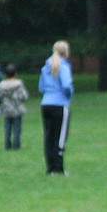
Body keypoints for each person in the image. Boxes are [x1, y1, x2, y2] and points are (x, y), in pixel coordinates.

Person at [39, 40, 73, 176]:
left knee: (49, 136)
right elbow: (66, 86)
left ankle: (50, 167)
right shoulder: (63, 67)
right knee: (60, 137)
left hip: (45, 104)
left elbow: (41, 88)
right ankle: (59, 169)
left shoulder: (45, 67)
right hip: (60, 104)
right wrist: (68, 96)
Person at [0, 64, 28, 150]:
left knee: (7, 129)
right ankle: (17, 146)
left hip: (6, 109)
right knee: (17, 130)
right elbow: (24, 96)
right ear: (15, 73)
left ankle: (7, 146)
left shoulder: (1, 85)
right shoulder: (19, 84)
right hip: (17, 109)